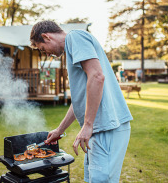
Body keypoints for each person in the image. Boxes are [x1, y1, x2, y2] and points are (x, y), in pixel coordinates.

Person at [30, 21, 133, 183]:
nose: (47, 54)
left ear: (46, 36)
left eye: (43, 49)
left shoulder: (75, 37)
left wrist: (88, 124)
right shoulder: (72, 47)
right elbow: (80, 100)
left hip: (107, 126)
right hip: (101, 128)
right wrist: (59, 130)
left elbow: (97, 76)